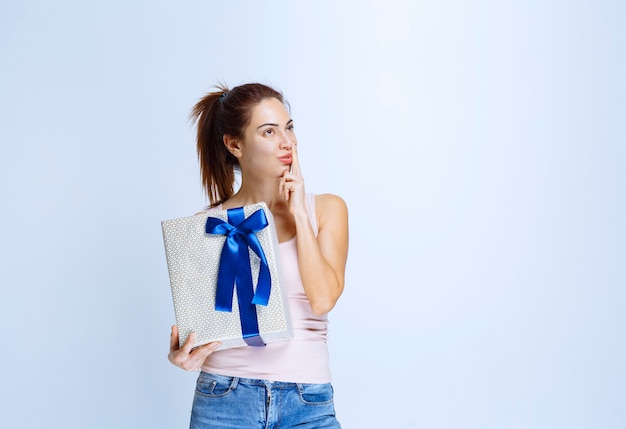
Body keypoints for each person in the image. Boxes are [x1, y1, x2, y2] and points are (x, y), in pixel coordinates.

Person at [167, 82, 349, 428]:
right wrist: (183, 353)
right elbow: (201, 327)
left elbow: (323, 299)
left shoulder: (325, 209)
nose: (287, 142)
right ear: (235, 145)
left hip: (307, 400)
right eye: (269, 131)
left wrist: (297, 212)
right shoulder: (207, 226)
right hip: (223, 397)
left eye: (289, 128)